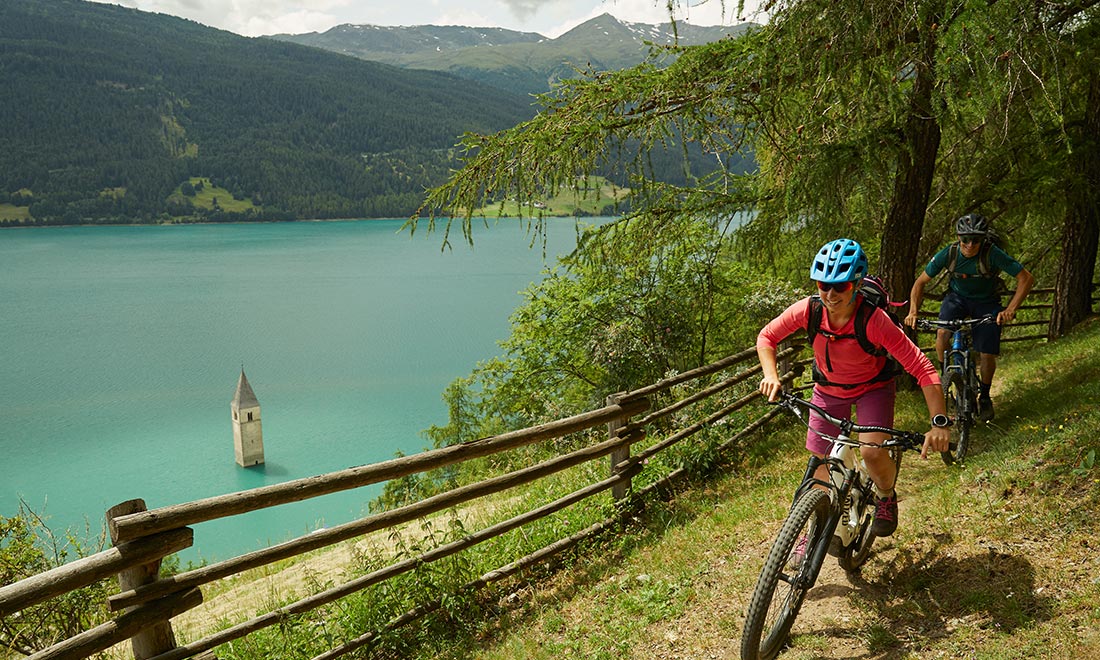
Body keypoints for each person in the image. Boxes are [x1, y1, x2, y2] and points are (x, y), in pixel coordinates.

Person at [757, 238, 951, 540]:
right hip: (828, 389)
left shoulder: (875, 320)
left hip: (872, 388)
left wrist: (939, 422)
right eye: (824, 285)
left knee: (872, 452)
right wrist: (771, 375)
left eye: (842, 286)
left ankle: (886, 496)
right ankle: (810, 532)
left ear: (857, 285)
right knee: (819, 465)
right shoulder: (807, 311)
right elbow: (767, 336)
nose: (831, 294)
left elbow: (921, 367)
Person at [903, 213, 1034, 422]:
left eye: (976, 240)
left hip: (987, 302)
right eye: (965, 239)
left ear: (983, 239)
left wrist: (1010, 309)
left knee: (986, 354)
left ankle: (985, 396)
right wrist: (913, 312)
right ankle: (946, 377)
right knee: (942, 333)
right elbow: (920, 283)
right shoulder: (950, 253)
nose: (970, 244)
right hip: (957, 299)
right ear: (958, 237)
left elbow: (1025, 278)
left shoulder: (993, 254)